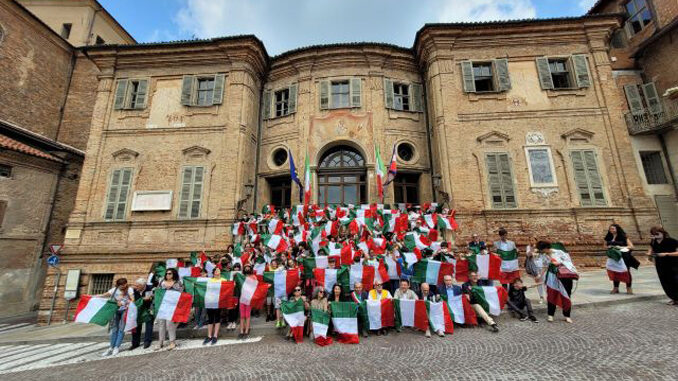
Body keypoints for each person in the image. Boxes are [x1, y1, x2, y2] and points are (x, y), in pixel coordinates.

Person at [538, 241, 576, 323]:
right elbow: (544, 266)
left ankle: (567, 315)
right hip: (552, 277)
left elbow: (569, 262)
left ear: (546, 248)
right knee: (552, 295)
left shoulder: (559, 252)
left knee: (566, 295)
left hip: (564, 276)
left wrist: (559, 263)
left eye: (543, 250)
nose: (542, 252)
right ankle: (550, 314)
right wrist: (540, 276)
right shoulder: (544, 256)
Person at [99, 277, 134, 356]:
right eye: (120, 285)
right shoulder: (114, 289)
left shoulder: (129, 289)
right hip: (115, 310)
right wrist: (93, 297)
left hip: (125, 310)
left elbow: (133, 299)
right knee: (114, 329)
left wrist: (124, 302)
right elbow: (104, 295)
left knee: (121, 329)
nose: (122, 287)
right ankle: (111, 347)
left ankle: (117, 347)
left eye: (123, 285)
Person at [647, 226, 678, 305]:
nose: (655, 235)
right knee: (665, 282)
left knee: (674, 281)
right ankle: (674, 298)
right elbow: (650, 251)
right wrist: (649, 255)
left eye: (657, 233)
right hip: (660, 265)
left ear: (662, 233)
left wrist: (666, 254)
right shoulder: (653, 242)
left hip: (672, 264)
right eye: (653, 234)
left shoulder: (671, 241)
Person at [155, 268, 183, 350]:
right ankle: (160, 342)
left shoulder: (178, 283)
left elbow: (181, 293)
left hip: (172, 306)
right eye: (167, 273)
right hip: (162, 305)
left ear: (174, 274)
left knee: (170, 324)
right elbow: (157, 292)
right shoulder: (161, 282)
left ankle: (172, 342)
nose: (168, 275)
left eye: (170, 273)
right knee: (161, 324)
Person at [604, 224, 636, 294]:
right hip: (613, 256)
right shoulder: (608, 236)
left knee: (626, 271)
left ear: (617, 229)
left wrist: (620, 247)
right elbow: (604, 245)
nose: (611, 230)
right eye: (610, 229)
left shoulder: (623, 236)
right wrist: (608, 247)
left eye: (613, 229)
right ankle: (616, 288)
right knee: (614, 271)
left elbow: (631, 246)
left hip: (623, 256)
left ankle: (629, 288)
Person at [130, 277, 154, 350]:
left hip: (148, 309)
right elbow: (135, 300)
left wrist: (151, 297)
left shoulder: (151, 288)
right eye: (135, 285)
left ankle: (147, 341)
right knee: (136, 325)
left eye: (137, 286)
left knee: (149, 325)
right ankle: (135, 343)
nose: (135, 287)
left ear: (143, 285)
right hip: (139, 309)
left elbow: (152, 298)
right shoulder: (135, 290)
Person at [203, 267, 224, 345]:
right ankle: (209, 336)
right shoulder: (209, 280)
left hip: (218, 302)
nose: (218, 271)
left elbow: (229, 287)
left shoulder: (223, 280)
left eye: (219, 270)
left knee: (217, 318)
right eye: (216, 270)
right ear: (214, 272)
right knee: (210, 318)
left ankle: (215, 336)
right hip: (210, 301)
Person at [525, 236, 548, 304]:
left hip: (542, 266)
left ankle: (548, 297)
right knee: (538, 283)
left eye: (533, 240)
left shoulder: (540, 247)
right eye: (530, 240)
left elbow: (544, 256)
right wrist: (532, 248)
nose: (531, 241)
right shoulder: (528, 247)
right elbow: (528, 255)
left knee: (545, 283)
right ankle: (541, 297)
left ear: (536, 241)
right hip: (534, 268)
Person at [238, 265, 256, 339]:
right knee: (242, 316)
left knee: (247, 315)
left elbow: (255, 286)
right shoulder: (241, 277)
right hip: (242, 298)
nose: (247, 268)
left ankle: (246, 331)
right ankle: (241, 331)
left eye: (248, 267)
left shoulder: (253, 277)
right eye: (246, 267)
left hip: (249, 298)